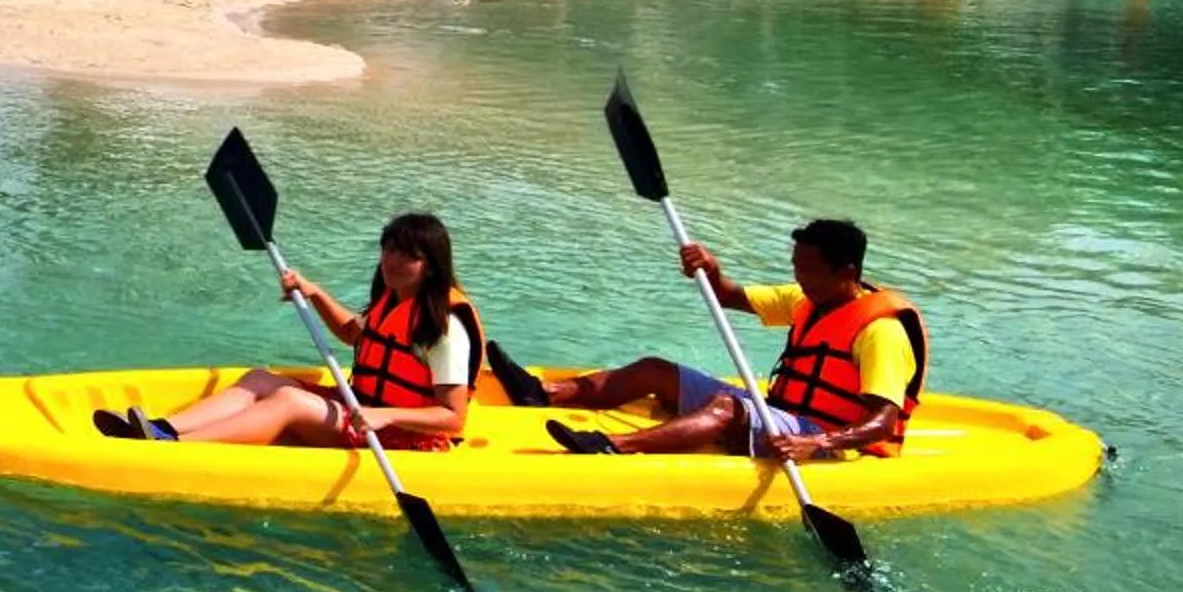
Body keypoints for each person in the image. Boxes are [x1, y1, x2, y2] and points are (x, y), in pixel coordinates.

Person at [538, 220, 924, 461]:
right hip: (779, 413)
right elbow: (728, 296)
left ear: (848, 271)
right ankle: (545, 394)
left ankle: (613, 446)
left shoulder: (880, 332)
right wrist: (711, 269)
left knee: (725, 407)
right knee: (656, 370)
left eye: (810, 269)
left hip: (825, 441)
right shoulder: (807, 299)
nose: (800, 276)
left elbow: (882, 423)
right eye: (796, 266)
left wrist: (817, 442)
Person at [93, 213, 486, 448]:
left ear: (431, 265)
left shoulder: (444, 327)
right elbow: (354, 334)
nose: (393, 261)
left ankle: (174, 447)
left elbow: (452, 419)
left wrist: (382, 415)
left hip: (407, 438)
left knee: (290, 400)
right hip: (362, 408)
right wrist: (314, 293)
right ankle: (161, 428)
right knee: (261, 379)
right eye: (389, 249)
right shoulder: (396, 298)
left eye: (408, 256)